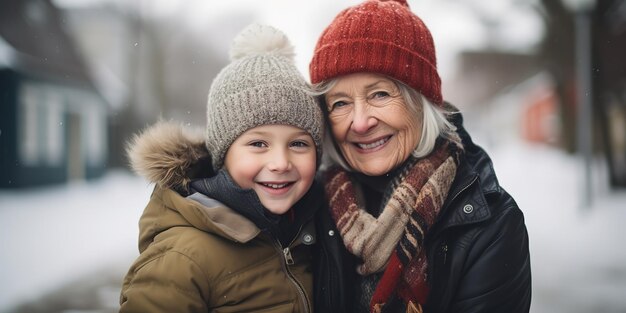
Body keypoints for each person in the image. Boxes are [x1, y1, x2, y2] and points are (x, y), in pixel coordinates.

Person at [309, 0, 532, 312]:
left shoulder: (490, 224)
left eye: (380, 94)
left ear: (422, 102)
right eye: (340, 103)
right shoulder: (306, 206)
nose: (360, 122)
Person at [119, 23, 326, 312]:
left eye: (298, 144)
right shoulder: (182, 261)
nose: (280, 163)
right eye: (258, 144)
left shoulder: (315, 231)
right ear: (222, 155)